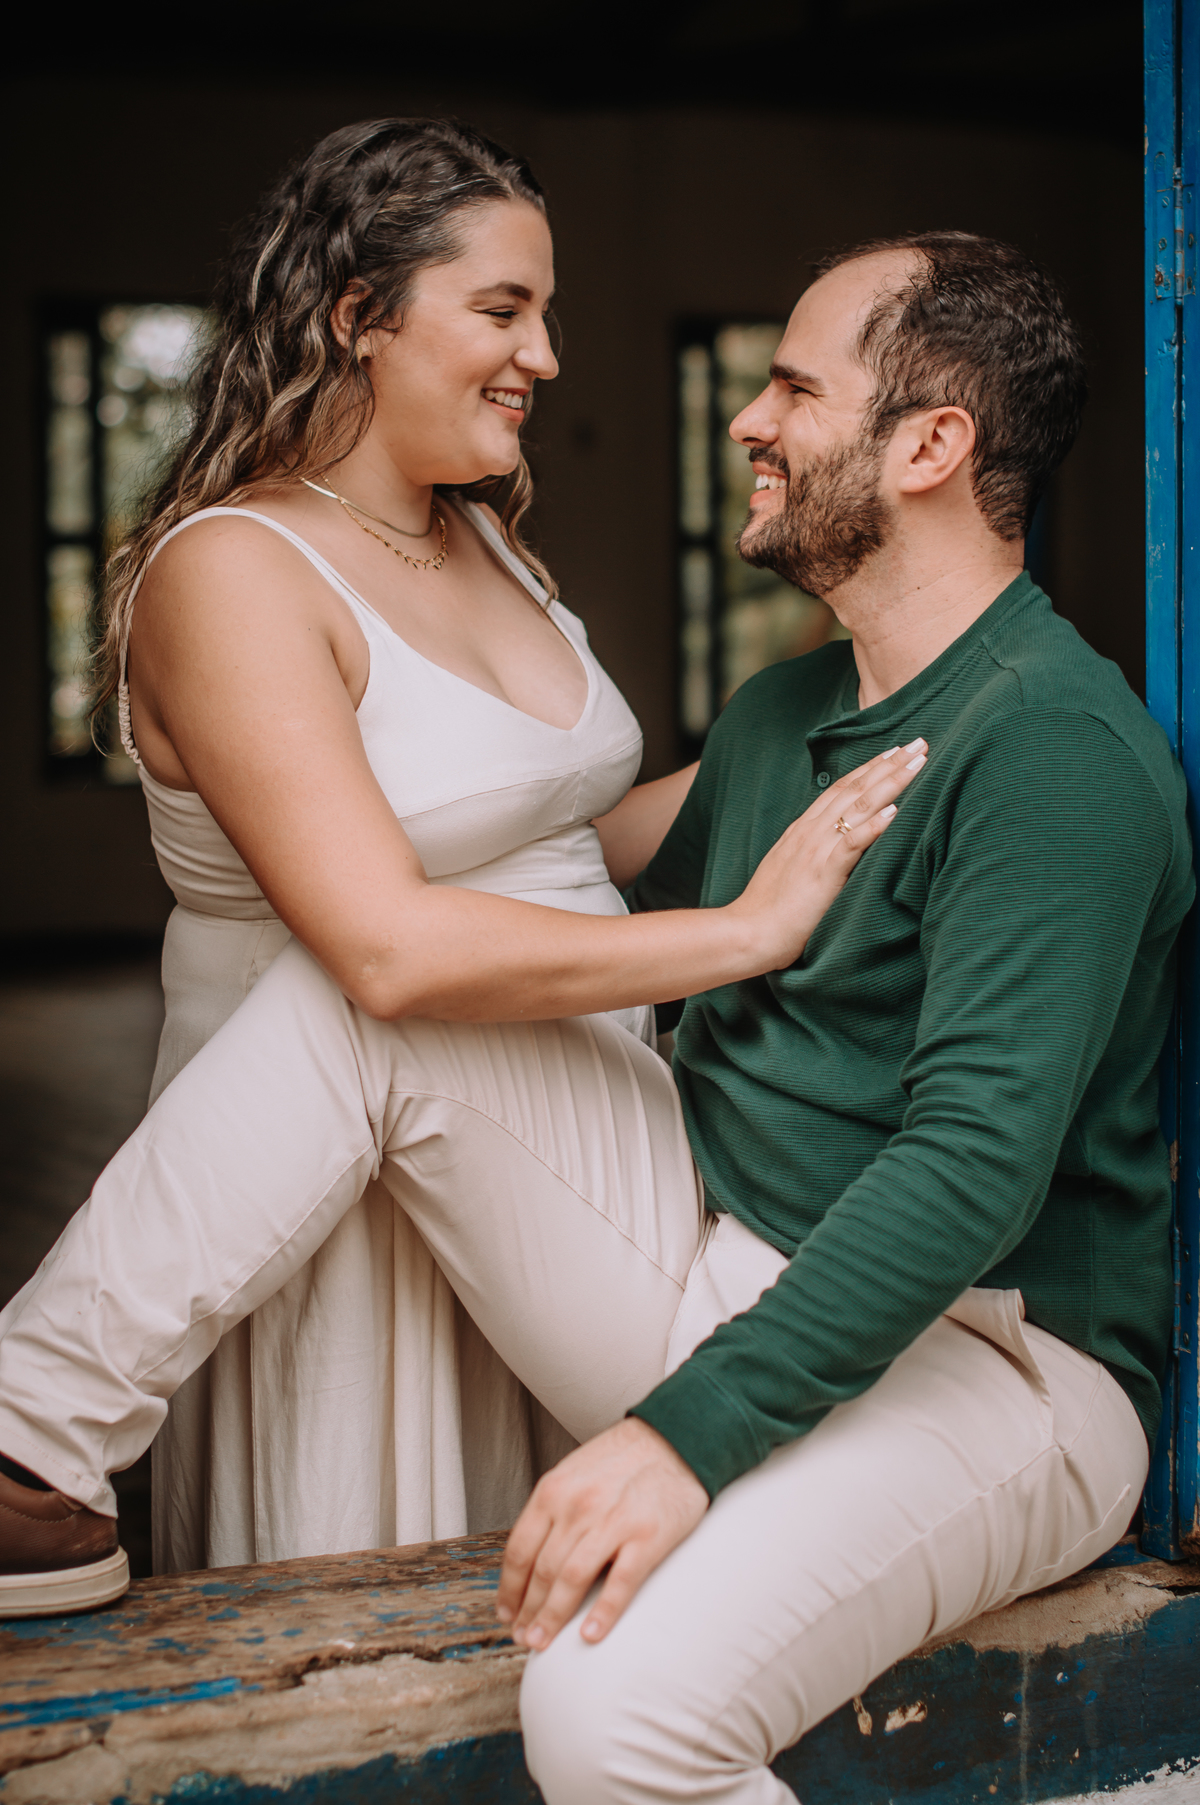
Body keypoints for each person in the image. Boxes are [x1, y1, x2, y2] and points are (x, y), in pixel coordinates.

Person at [0, 223, 1182, 1803]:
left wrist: (686, 1432)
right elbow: (537, 918)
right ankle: (27, 1440)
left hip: (992, 1365)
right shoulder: (785, 712)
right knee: (379, 984)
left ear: (931, 447)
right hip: (715, 1263)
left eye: (793, 389)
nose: (749, 420)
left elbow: (972, 1168)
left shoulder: (1053, 748)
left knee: (614, 1713)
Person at [0, 116, 914, 1615]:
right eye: (503, 309)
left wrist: (854, 740)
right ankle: (28, 1435)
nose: (545, 355)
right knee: (343, 1607)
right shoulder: (231, 570)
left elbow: (560, 843)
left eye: (544, 313)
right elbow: (388, 948)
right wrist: (749, 931)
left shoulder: (487, 540)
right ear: (356, 315)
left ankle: (28, 1424)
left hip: (562, 1127)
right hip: (330, 1162)